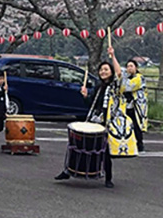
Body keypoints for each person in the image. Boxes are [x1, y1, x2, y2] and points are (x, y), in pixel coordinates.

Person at [55, 46, 136, 188]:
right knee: (77, 146)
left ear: (110, 72)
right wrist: (85, 96)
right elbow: (91, 104)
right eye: (101, 70)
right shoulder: (98, 87)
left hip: (108, 123)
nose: (103, 72)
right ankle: (68, 171)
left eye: (106, 69)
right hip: (95, 120)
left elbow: (119, 74)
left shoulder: (115, 86)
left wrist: (113, 56)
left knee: (105, 152)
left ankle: (108, 178)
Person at [123, 59, 147, 153]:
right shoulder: (128, 78)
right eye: (128, 66)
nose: (129, 68)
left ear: (136, 67)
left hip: (137, 106)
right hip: (127, 105)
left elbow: (128, 87)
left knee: (137, 126)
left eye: (131, 66)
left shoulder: (139, 78)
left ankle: (140, 145)